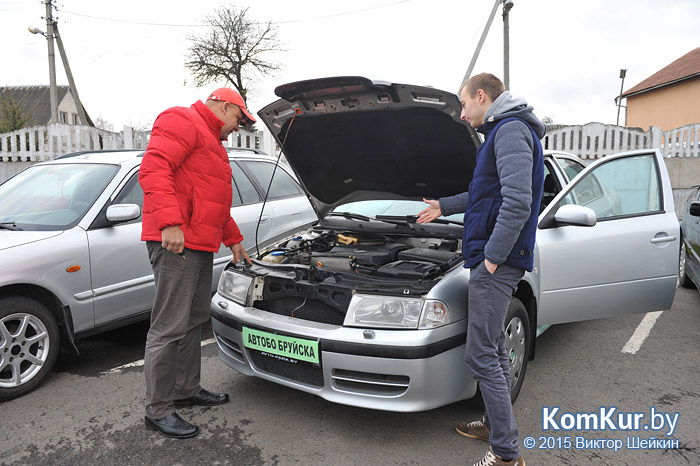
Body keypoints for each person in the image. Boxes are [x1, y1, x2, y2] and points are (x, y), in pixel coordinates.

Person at [417, 73, 544, 466]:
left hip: (497, 262)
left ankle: (506, 454)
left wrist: (492, 256)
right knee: (492, 351)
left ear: (482, 95)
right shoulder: (503, 133)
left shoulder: (509, 131)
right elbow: (485, 193)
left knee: (482, 354)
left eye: (464, 104)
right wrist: (444, 204)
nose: (462, 112)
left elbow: (519, 201)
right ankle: (494, 423)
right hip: (494, 258)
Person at [139, 87, 254, 439]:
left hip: (200, 245)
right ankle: (158, 410)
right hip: (176, 242)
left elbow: (214, 203)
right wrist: (169, 223)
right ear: (223, 106)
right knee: (169, 326)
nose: (238, 127)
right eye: (239, 118)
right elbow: (153, 169)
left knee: (193, 320)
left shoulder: (215, 145)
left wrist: (232, 240)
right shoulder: (182, 120)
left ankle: (186, 389)